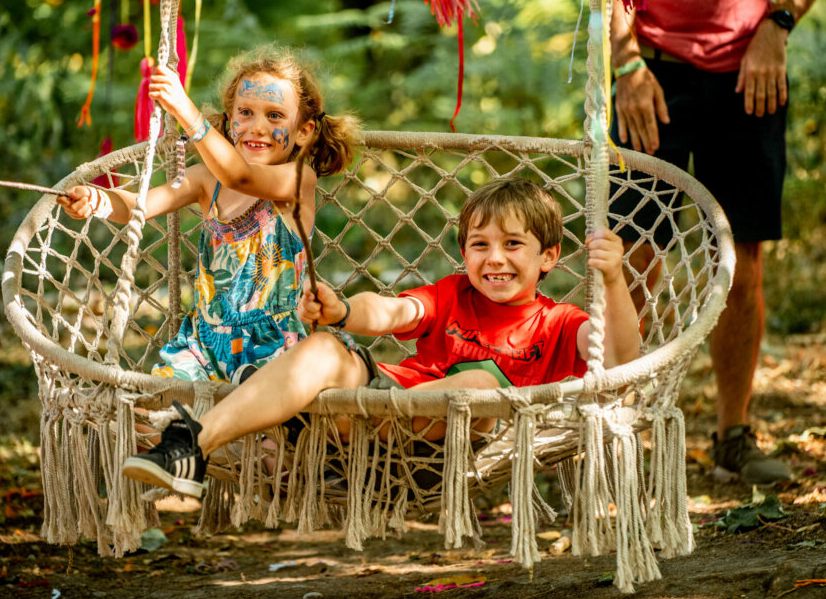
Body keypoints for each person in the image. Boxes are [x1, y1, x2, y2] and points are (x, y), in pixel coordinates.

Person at [120, 177, 641, 499]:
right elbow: (392, 312)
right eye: (480, 244)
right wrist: (344, 311)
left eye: (513, 244)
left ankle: (310, 442)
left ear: (548, 257)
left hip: (438, 449)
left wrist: (614, 279)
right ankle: (192, 446)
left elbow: (621, 358)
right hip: (381, 406)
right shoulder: (452, 293)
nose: (495, 258)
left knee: (481, 381)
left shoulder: (560, 323)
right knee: (324, 349)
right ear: (464, 254)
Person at [609, 0, 823, 484]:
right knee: (632, 260)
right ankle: (612, 430)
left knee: (739, 264)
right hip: (650, 69)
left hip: (750, 66)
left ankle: (733, 437)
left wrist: (780, 24)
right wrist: (625, 62)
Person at [57, 48, 360, 385]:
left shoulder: (298, 178)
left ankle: (247, 436)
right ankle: (173, 431)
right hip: (204, 346)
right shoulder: (205, 179)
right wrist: (97, 200)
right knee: (150, 410)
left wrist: (187, 112)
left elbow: (240, 176)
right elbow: (137, 206)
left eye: (274, 116)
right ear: (230, 123)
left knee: (268, 427)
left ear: (303, 131)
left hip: (275, 348)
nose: (257, 127)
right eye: (245, 112)